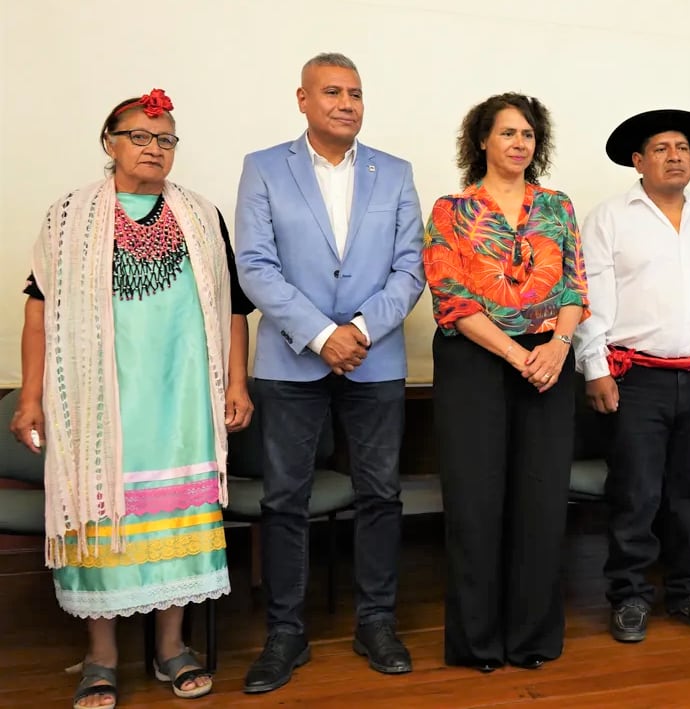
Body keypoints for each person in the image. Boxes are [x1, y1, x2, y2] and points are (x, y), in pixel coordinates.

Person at [8, 89, 254, 708]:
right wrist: (30, 396)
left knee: (177, 522)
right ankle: (102, 656)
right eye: (140, 136)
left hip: (183, 404)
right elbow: (38, 312)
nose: (154, 149)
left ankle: (172, 648)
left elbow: (234, 310)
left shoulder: (201, 216)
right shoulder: (69, 218)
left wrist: (237, 383)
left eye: (165, 139)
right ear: (109, 143)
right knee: (103, 524)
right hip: (97, 410)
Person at [234, 53, 426, 693]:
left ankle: (377, 621)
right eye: (333, 92)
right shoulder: (263, 168)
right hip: (291, 360)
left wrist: (360, 331)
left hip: (376, 359)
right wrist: (321, 335)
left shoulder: (394, 173)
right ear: (302, 99)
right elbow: (255, 266)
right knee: (285, 499)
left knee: (381, 494)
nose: (347, 103)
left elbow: (411, 268)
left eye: (356, 93)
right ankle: (285, 632)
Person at [423, 92, 588, 672]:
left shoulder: (558, 206)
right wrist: (521, 355)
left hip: (550, 360)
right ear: (482, 142)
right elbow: (452, 298)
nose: (519, 144)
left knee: (540, 502)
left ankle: (533, 640)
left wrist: (557, 346)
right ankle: (477, 643)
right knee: (475, 503)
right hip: (477, 364)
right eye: (507, 133)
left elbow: (574, 288)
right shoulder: (451, 210)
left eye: (528, 135)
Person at [573, 109, 690, 643]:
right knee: (636, 494)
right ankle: (630, 596)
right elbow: (591, 298)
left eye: (683, 148)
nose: (675, 156)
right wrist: (595, 368)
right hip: (634, 379)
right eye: (662, 148)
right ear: (638, 161)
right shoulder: (609, 217)